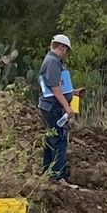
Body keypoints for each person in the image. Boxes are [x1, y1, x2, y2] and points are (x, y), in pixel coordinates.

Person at [38, 34, 77, 188]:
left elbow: (59, 86)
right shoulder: (53, 62)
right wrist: (67, 107)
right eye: (66, 52)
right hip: (53, 107)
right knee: (59, 140)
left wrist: (72, 92)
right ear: (62, 48)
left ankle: (48, 172)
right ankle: (58, 176)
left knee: (50, 139)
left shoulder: (52, 61)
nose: (66, 55)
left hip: (50, 106)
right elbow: (55, 88)